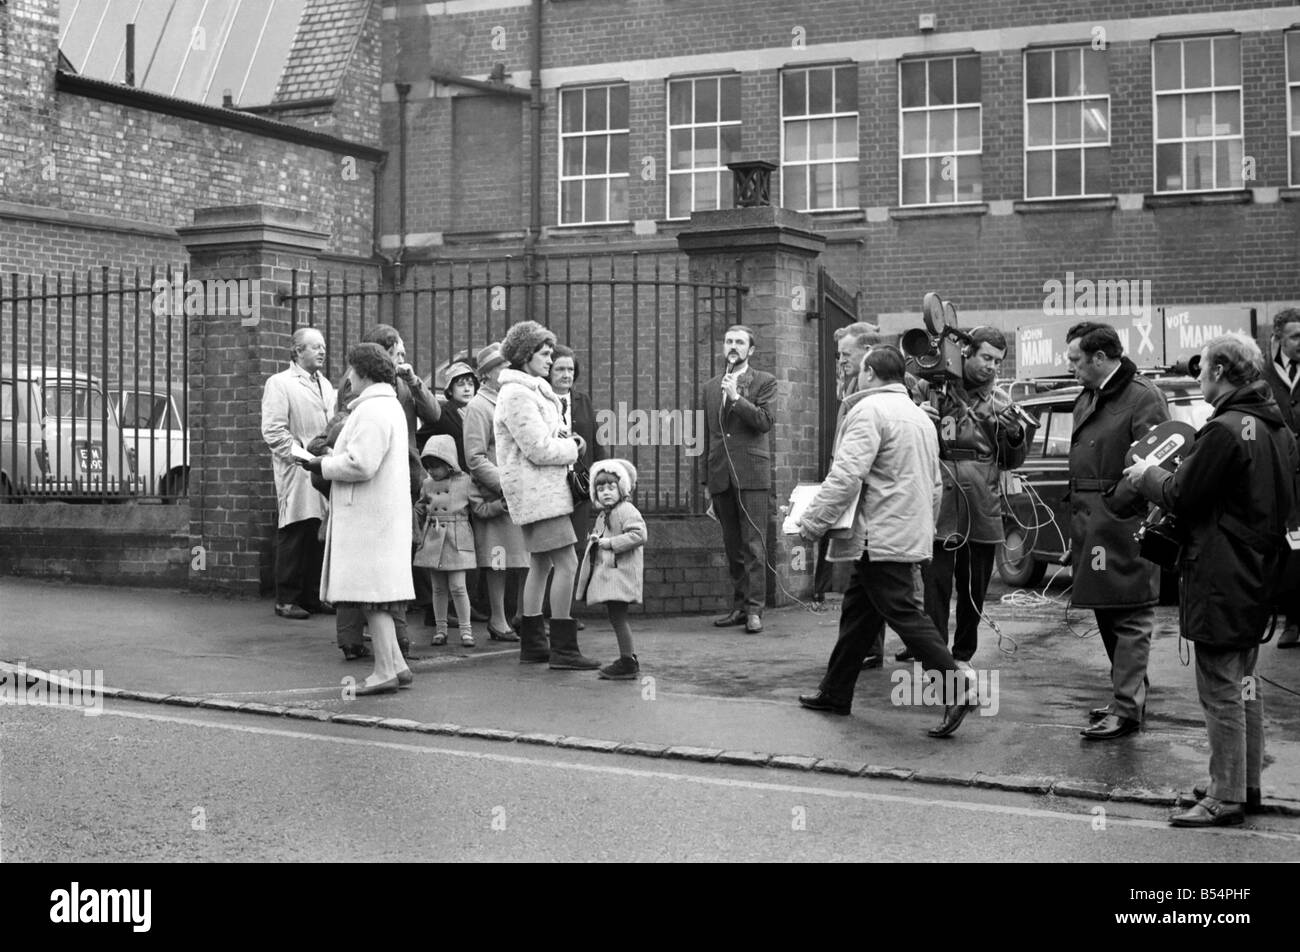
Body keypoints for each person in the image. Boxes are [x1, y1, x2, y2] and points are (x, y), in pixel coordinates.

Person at [1123, 334, 1298, 826]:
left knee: (1221, 687)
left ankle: (1225, 795)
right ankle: (1243, 782)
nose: (1198, 377)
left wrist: (1146, 475)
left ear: (1220, 372)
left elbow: (1182, 493)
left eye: (1202, 371)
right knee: (1245, 683)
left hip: (1222, 571)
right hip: (1259, 568)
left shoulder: (1224, 429)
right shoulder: (1274, 425)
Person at [796, 347, 978, 738]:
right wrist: (921, 531)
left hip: (876, 536)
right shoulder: (919, 416)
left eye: (860, 369)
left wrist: (811, 523)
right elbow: (933, 485)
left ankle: (957, 687)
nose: (856, 375)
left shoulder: (868, 411)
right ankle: (835, 691)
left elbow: (847, 476)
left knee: (904, 614)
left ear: (871, 373)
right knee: (858, 616)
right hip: (901, 531)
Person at [1065, 321, 1170, 740]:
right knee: (1107, 612)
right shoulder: (1089, 394)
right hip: (1092, 522)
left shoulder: (1143, 396)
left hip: (1121, 522)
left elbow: (1165, 456)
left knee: (1129, 614)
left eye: (1076, 359)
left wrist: (1117, 501)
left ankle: (1127, 709)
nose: (1070, 366)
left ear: (1101, 358)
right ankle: (1127, 696)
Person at [908, 326, 1034, 664]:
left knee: (974, 586)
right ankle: (934, 656)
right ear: (968, 353)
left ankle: (963, 655)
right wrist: (918, 415)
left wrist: (1013, 435)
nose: (992, 366)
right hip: (939, 495)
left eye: (998, 361)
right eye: (986, 357)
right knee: (934, 583)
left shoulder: (1002, 401)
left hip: (981, 499)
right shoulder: (931, 388)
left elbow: (1012, 461)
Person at [298, 343, 415, 695]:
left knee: (373, 597)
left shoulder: (372, 410)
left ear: (362, 372)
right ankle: (397, 664)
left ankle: (383, 671)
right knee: (378, 594)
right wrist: (337, 455)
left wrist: (322, 463)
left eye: (351, 370)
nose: (347, 377)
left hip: (369, 519)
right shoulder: (386, 405)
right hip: (380, 516)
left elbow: (362, 464)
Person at [495, 320, 596, 668]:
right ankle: (564, 649)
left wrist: (569, 441)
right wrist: (573, 448)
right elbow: (537, 448)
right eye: (545, 353)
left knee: (540, 564)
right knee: (567, 563)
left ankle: (534, 645)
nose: (551, 360)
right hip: (538, 493)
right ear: (525, 355)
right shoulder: (518, 393)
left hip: (541, 491)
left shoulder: (531, 390)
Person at [702, 324, 777, 634]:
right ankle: (738, 605)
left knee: (754, 546)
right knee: (732, 545)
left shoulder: (764, 381)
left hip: (752, 475)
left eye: (739, 342)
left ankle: (755, 610)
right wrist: (706, 483)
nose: (733, 346)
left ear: (751, 350)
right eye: (729, 341)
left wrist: (735, 397)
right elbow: (708, 436)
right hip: (720, 475)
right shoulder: (709, 386)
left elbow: (764, 422)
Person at [260, 327, 337, 620]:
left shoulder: (327, 385)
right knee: (294, 531)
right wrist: (304, 457)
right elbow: (273, 431)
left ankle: (312, 596)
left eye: (323, 346)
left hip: (322, 467)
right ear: (297, 352)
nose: (321, 351)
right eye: (314, 346)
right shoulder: (279, 383)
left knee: (317, 532)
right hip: (296, 468)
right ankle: (286, 598)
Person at [463, 342, 527, 642]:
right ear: (486, 374)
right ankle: (498, 619)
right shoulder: (478, 406)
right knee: (498, 561)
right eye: (502, 367)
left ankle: (521, 616)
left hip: (519, 491)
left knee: (524, 557)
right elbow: (475, 457)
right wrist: (505, 483)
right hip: (497, 493)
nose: (508, 371)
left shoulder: (510, 399)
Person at [576, 459, 647, 681]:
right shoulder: (605, 513)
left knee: (618, 617)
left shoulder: (626, 510)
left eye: (611, 487)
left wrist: (610, 543)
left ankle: (628, 661)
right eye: (600, 488)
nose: (605, 492)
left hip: (621, 574)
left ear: (621, 488)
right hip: (612, 574)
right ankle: (628, 658)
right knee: (616, 617)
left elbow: (639, 535)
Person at [1260, 308, 1300, 649]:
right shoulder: (1264, 376)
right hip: (1283, 478)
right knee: (1289, 549)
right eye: (1295, 336)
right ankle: (1291, 620)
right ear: (1278, 340)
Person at [414, 434, 478, 647]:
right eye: (428, 466)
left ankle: (466, 630)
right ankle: (440, 630)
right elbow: (421, 506)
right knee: (438, 588)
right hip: (433, 536)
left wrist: (497, 507)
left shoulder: (465, 481)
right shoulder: (427, 484)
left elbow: (478, 506)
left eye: (436, 466)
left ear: (449, 463)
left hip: (456, 537)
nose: (432, 471)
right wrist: (416, 512)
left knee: (459, 586)